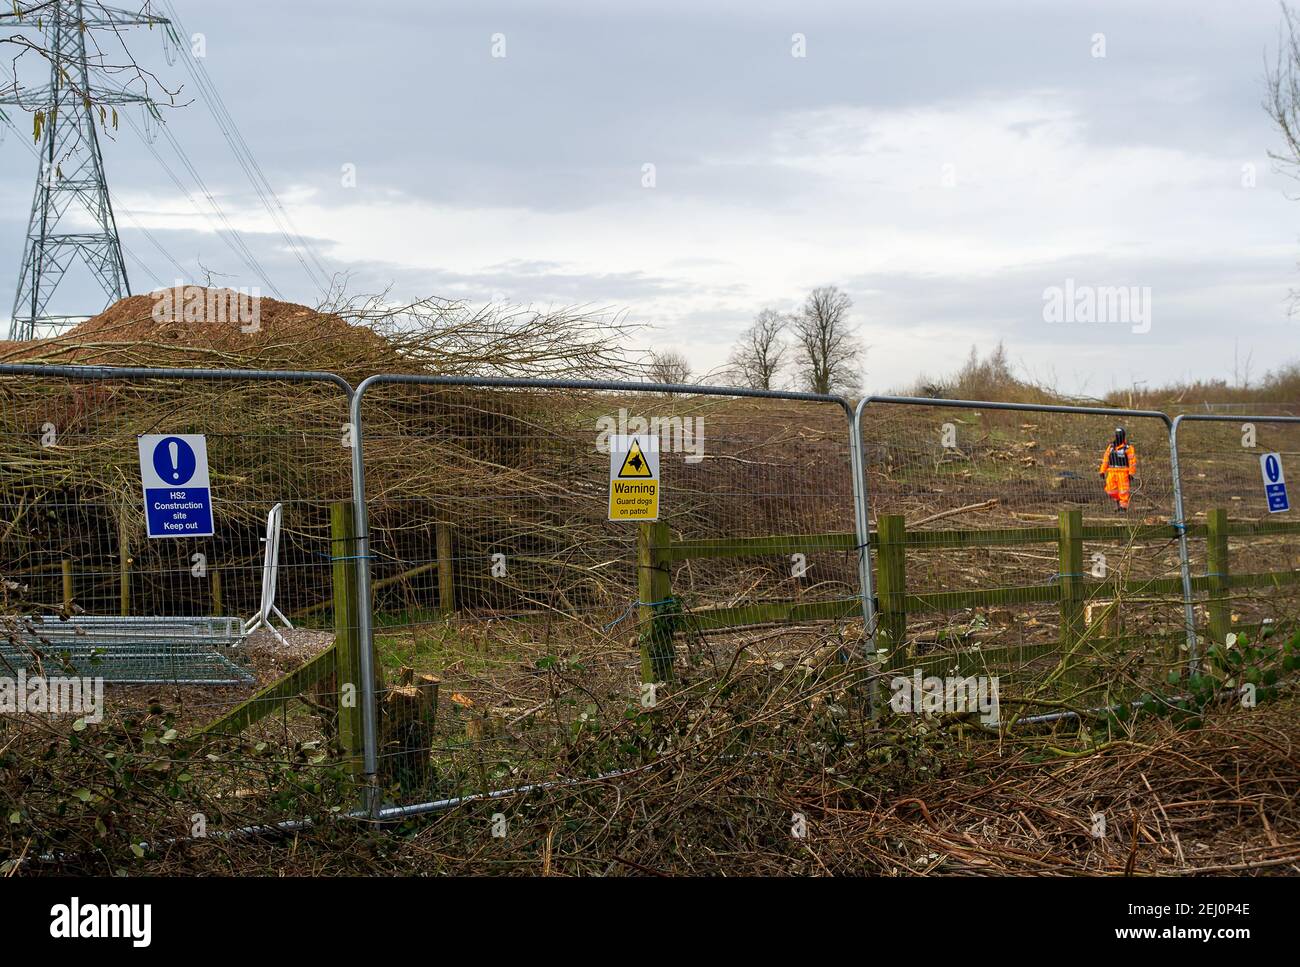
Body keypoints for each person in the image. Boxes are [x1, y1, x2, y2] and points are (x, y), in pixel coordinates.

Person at [1099, 427, 1137, 511]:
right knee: (1110, 489)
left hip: (1123, 472)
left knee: (1123, 490)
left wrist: (1131, 473)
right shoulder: (1111, 447)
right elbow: (1106, 459)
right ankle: (1117, 501)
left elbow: (1132, 461)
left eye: (1120, 434)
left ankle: (1123, 507)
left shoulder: (1128, 448)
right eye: (1117, 434)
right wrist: (1102, 471)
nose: (1118, 436)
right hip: (1111, 471)